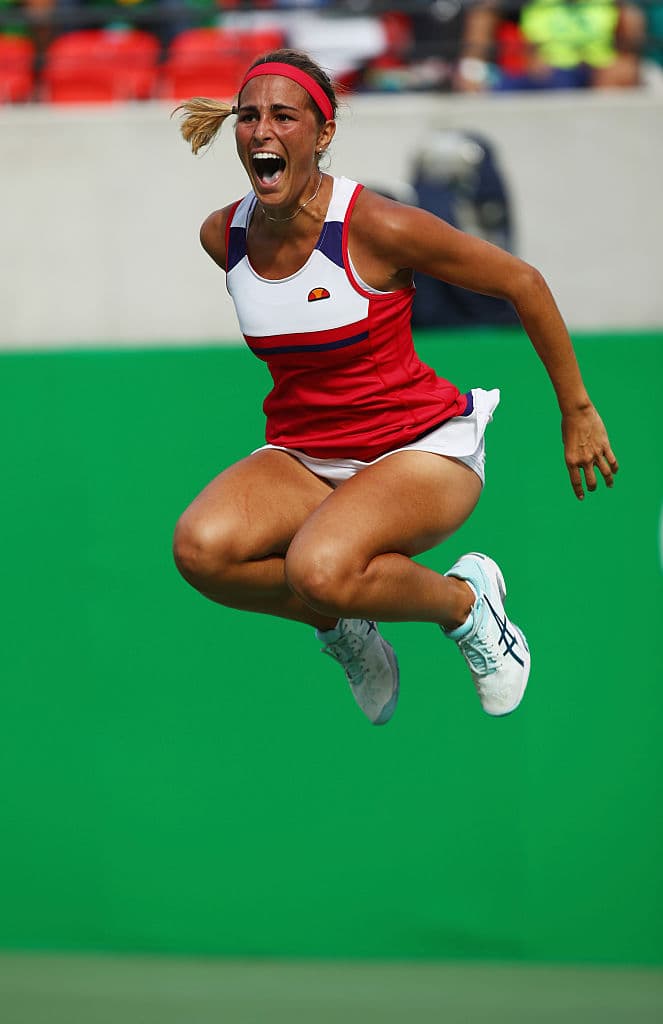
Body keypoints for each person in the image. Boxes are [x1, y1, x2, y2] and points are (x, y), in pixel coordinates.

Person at [171, 48, 618, 726]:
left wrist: (576, 408)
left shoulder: (376, 225)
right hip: (304, 456)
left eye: (284, 117)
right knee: (201, 551)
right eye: (249, 116)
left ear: (322, 135)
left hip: (421, 450)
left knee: (317, 568)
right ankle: (346, 627)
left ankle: (468, 606)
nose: (262, 131)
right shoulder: (222, 236)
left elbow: (520, 282)